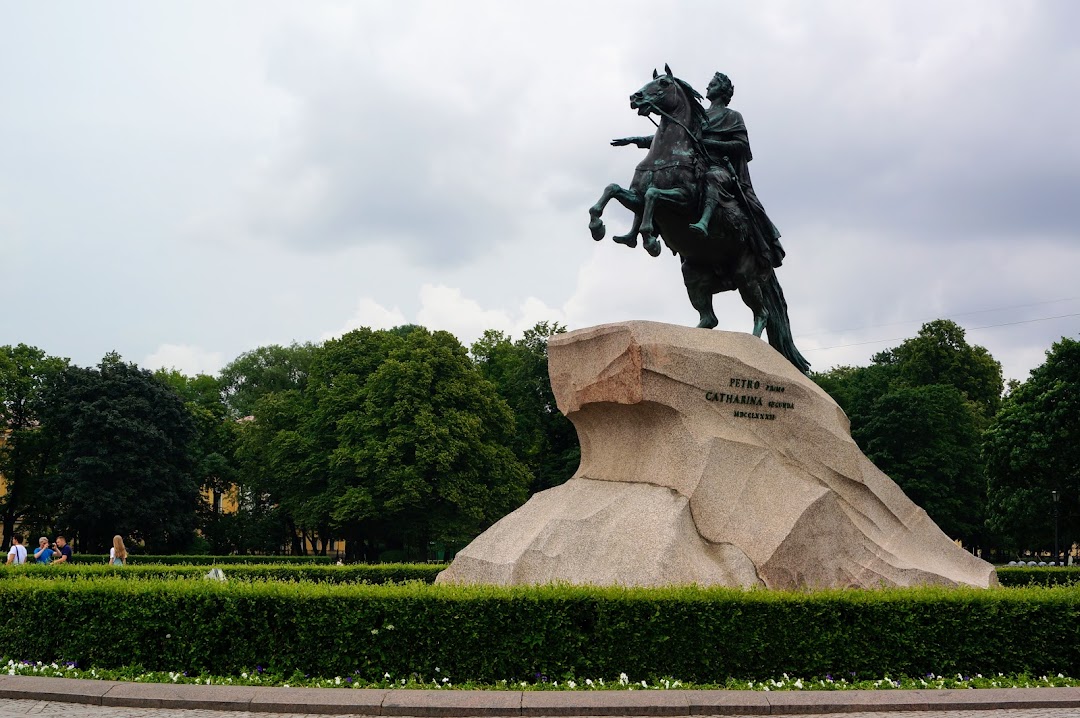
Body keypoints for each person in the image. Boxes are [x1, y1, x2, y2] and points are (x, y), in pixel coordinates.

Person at [687, 72, 785, 269]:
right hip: (694, 164)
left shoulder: (732, 116)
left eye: (712, 84)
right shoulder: (698, 117)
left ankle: (704, 222)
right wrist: (638, 141)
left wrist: (710, 142)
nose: (707, 87)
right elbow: (679, 137)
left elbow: (741, 146)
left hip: (720, 168)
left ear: (722, 91)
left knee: (712, 177)